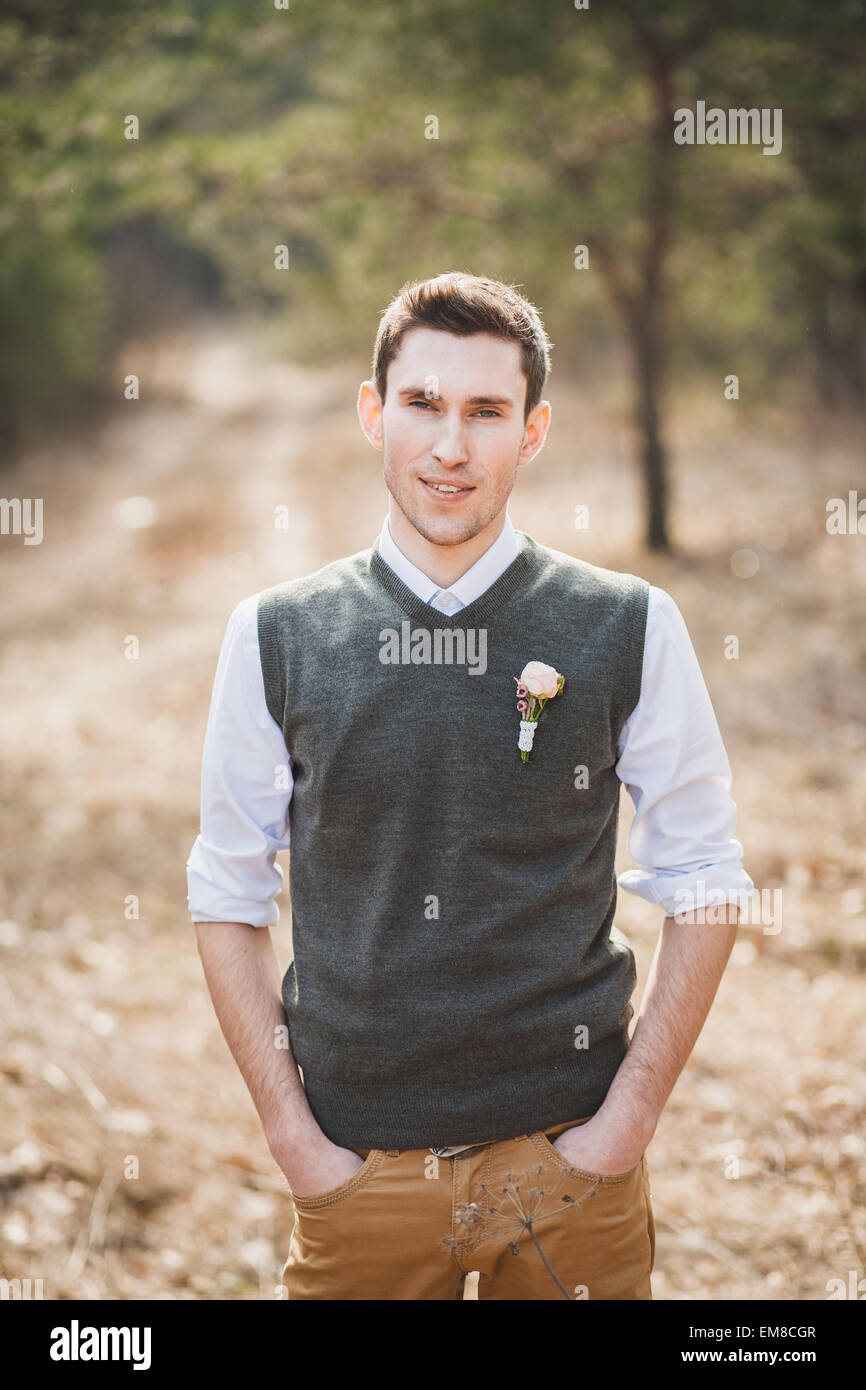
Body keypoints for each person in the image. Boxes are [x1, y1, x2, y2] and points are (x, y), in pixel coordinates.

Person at [186, 271, 753, 1300]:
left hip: (569, 1171)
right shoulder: (276, 635)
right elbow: (225, 893)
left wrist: (622, 1129)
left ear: (532, 432)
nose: (451, 446)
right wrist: (295, 1139)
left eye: (486, 412)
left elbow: (707, 877)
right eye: (422, 404)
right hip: (360, 1173)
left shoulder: (626, 624)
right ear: (374, 414)